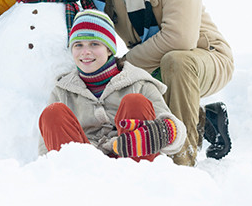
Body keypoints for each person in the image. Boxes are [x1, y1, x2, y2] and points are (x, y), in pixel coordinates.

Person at [87, 0, 234, 166]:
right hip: (154, 60)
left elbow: (181, 39)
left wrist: (124, 66)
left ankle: (181, 161)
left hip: (204, 56)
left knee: (175, 61)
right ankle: (206, 120)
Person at [38, 10, 187, 162]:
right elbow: (46, 147)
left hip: (133, 162)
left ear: (109, 48)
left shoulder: (138, 83)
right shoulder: (62, 91)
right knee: (52, 113)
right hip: (84, 168)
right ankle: (73, 179)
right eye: (78, 45)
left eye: (94, 44)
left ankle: (137, 175)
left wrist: (164, 131)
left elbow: (176, 133)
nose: (85, 52)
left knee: (135, 101)